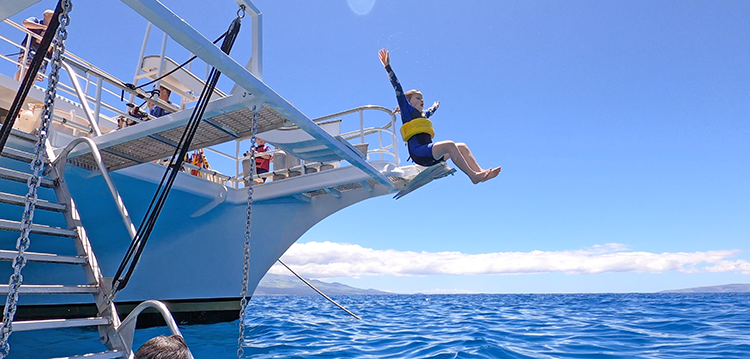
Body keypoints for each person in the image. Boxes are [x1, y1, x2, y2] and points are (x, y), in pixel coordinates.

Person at [378, 49, 501, 184]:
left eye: (423, 98)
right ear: (409, 102)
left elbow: (430, 111)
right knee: (449, 144)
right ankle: (473, 176)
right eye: (418, 98)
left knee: (462, 146)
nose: (422, 100)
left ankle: (481, 173)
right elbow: (397, 87)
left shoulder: (423, 115)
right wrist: (387, 66)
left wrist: (435, 106)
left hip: (431, 155)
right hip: (419, 153)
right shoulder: (407, 111)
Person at [14, 9, 55, 81]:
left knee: (35, 74)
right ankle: (17, 84)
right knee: (25, 69)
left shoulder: (53, 31)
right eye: (51, 15)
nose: (53, 18)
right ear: (45, 15)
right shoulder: (36, 21)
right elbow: (25, 23)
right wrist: (43, 27)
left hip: (43, 54)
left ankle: (27, 89)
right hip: (30, 49)